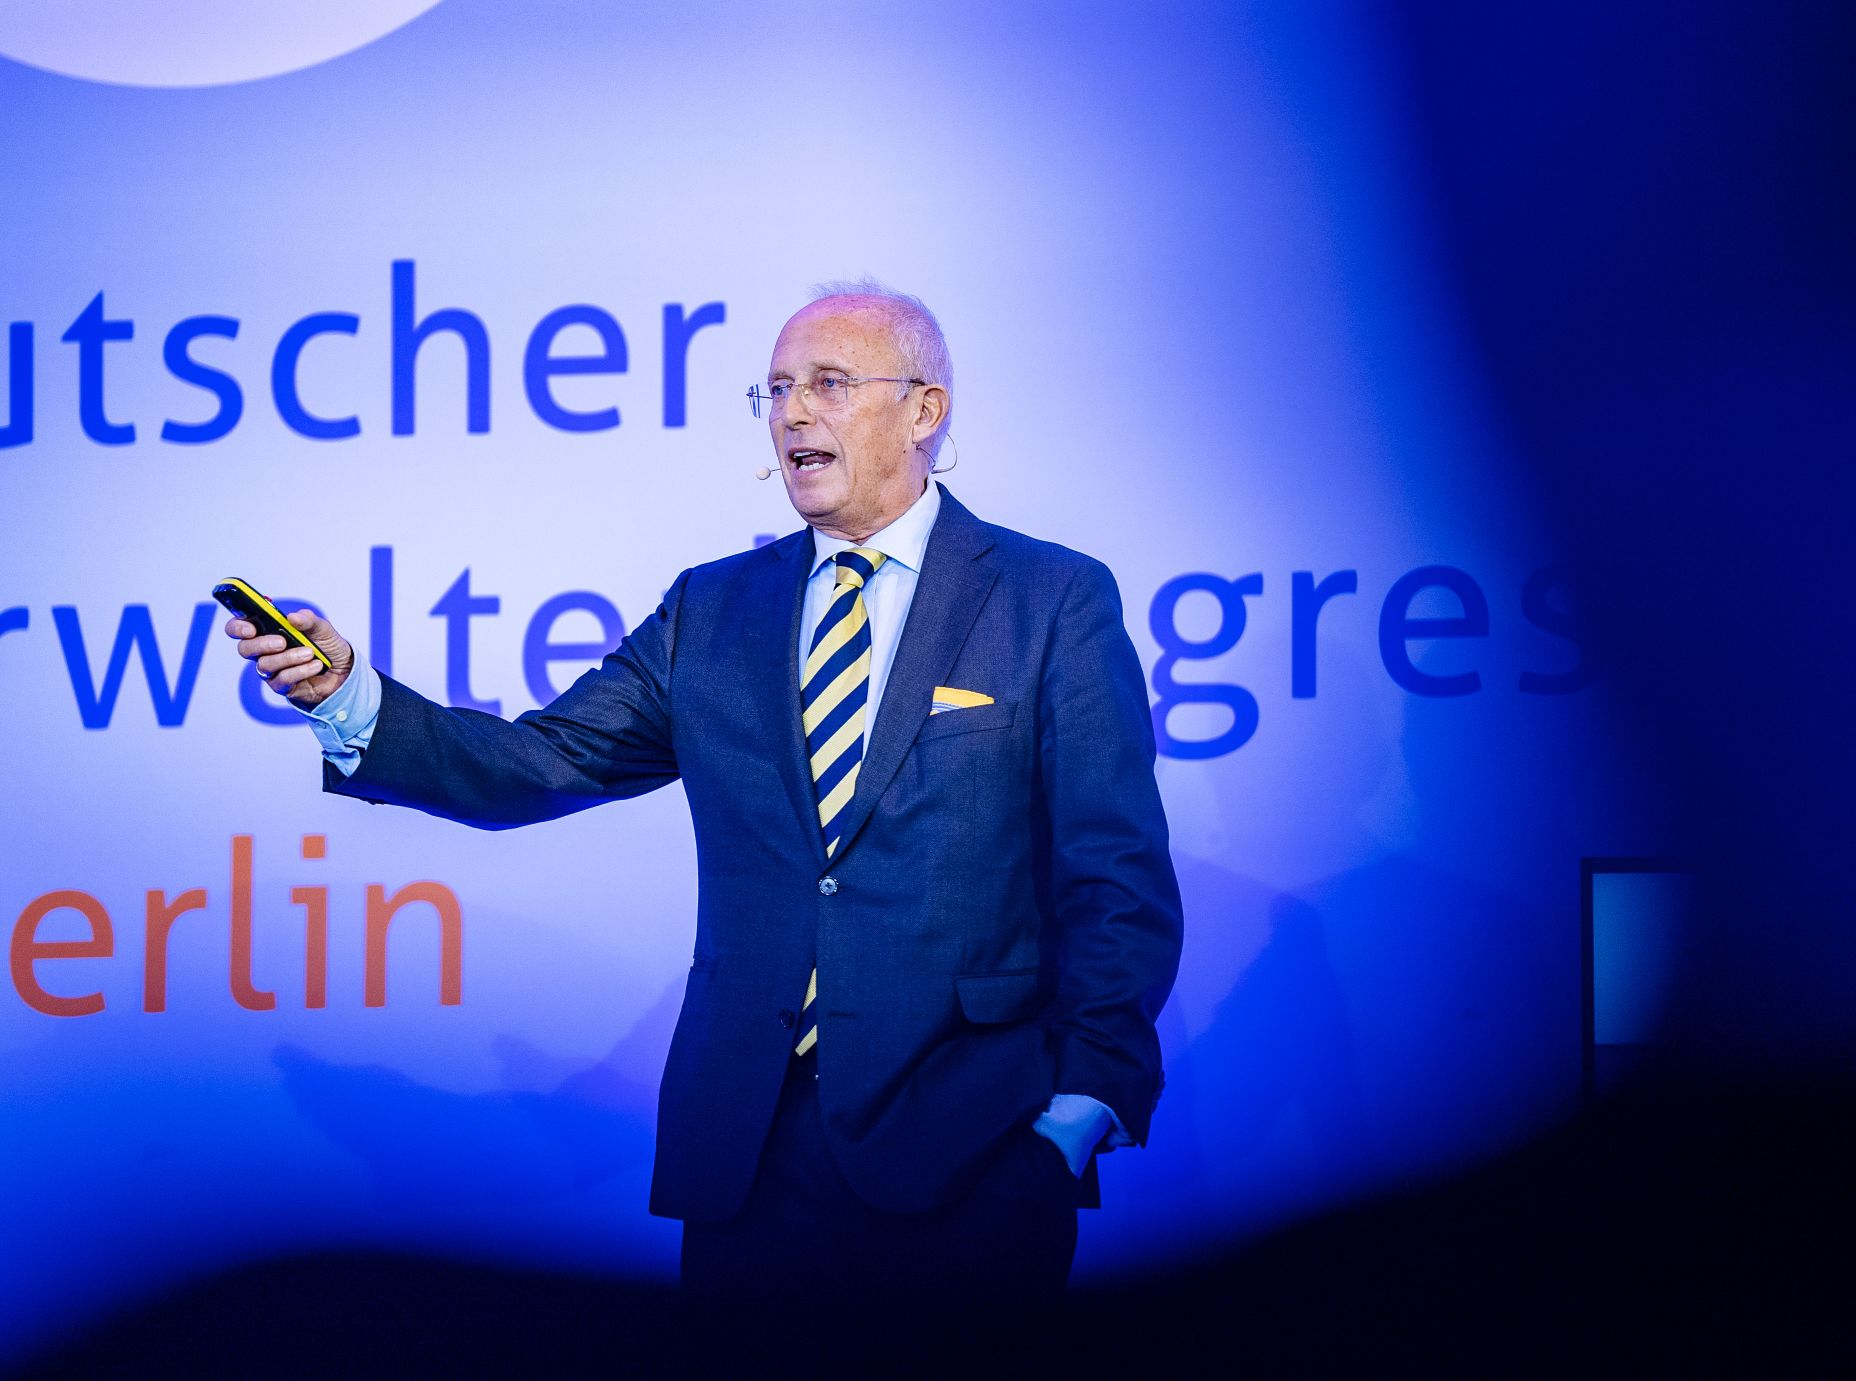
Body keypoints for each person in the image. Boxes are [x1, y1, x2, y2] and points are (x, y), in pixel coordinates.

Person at [225, 279, 1183, 1355]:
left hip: (975, 1152)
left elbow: (1115, 875)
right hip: (748, 1163)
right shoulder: (712, 609)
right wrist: (348, 695)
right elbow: (538, 761)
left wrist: (1076, 1115)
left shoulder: (1049, 598)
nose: (792, 411)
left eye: (828, 382)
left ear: (925, 409)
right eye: (776, 389)